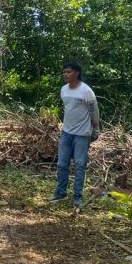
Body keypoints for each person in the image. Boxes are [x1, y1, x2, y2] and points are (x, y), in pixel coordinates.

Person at [51, 61, 100, 211]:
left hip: (82, 134)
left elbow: (94, 111)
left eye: (69, 72)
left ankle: (78, 197)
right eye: (64, 72)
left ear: (77, 73)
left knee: (80, 165)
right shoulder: (64, 90)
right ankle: (61, 193)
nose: (66, 74)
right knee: (62, 164)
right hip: (66, 132)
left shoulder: (86, 91)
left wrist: (95, 129)